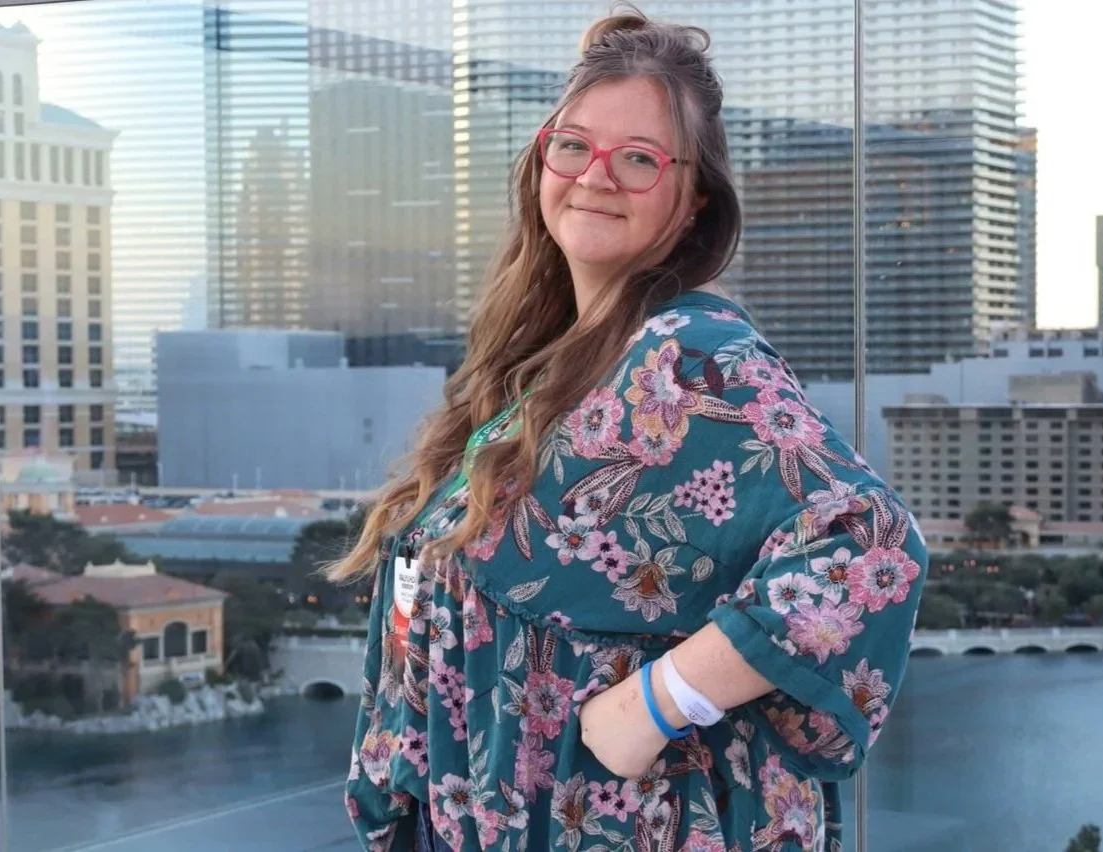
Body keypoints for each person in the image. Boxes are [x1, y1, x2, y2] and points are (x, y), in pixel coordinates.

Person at [329, 8, 929, 851]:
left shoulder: (687, 355)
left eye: (639, 159)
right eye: (573, 145)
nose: (596, 175)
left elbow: (872, 544)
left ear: (692, 203)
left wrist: (656, 702)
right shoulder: (544, 365)